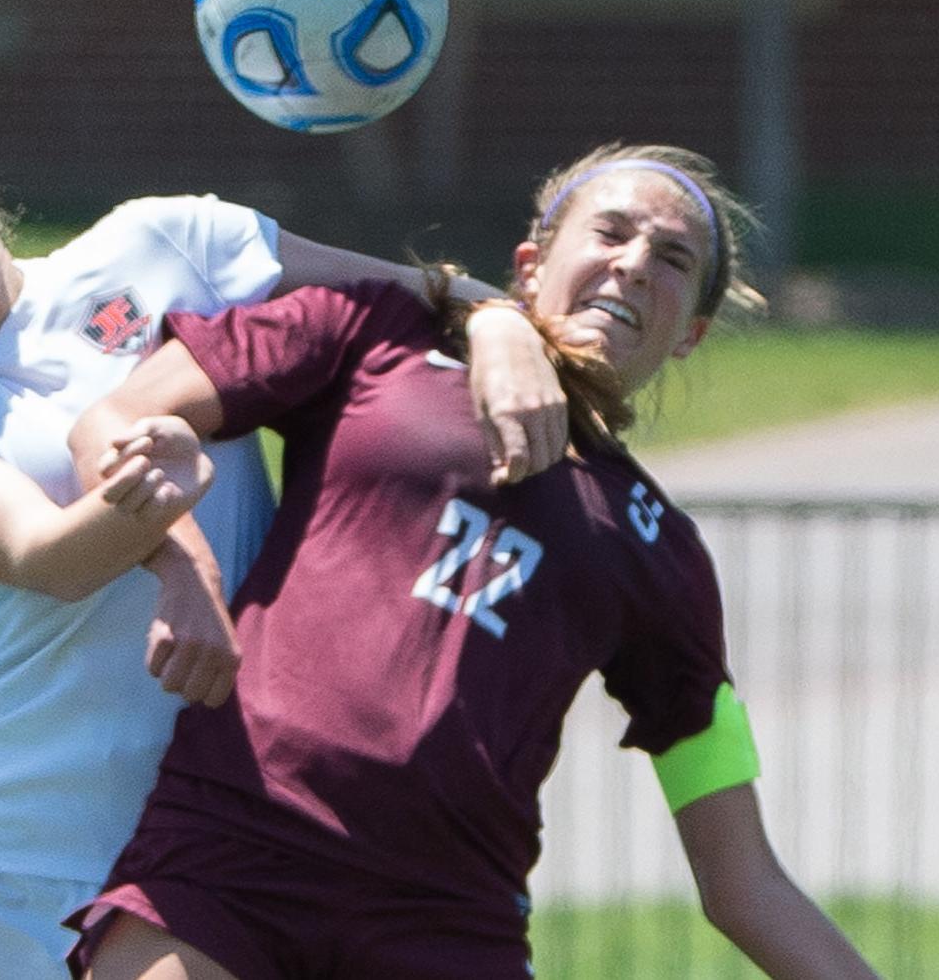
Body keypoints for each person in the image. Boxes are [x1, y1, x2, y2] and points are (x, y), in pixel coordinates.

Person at [0, 37, 570, 978]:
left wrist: (497, 319)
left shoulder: (168, 240)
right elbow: (45, 554)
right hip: (14, 867)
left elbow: (402, 306)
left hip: (214, 862)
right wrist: (173, 526)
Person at [66, 143, 881, 979]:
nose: (634, 265)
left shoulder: (659, 552)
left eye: (672, 259)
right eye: (610, 232)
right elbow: (117, 417)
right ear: (529, 265)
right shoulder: (375, 333)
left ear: (691, 334)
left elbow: (743, 880)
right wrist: (182, 565)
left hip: (445, 925)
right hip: (229, 861)